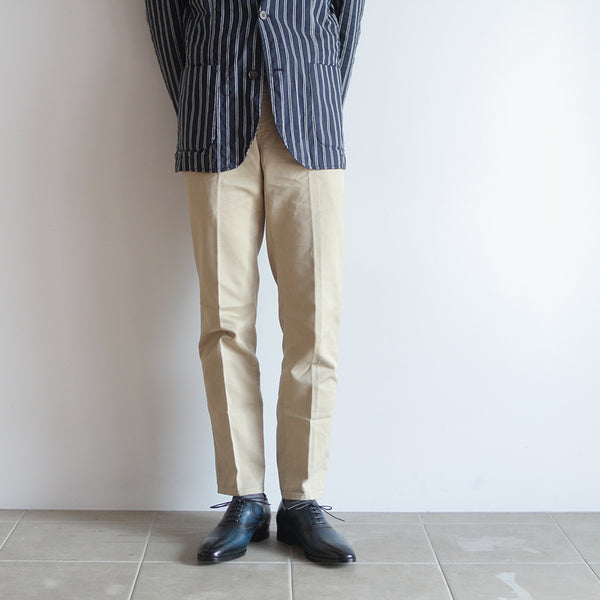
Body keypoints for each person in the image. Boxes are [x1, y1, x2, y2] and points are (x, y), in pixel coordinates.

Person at [144, 0, 365, 564]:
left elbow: (347, 17)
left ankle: (302, 501)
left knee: (315, 319)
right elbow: (168, 24)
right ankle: (245, 497)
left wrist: (316, 90)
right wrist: (199, 97)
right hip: (215, 118)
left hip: (309, 119)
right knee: (225, 322)